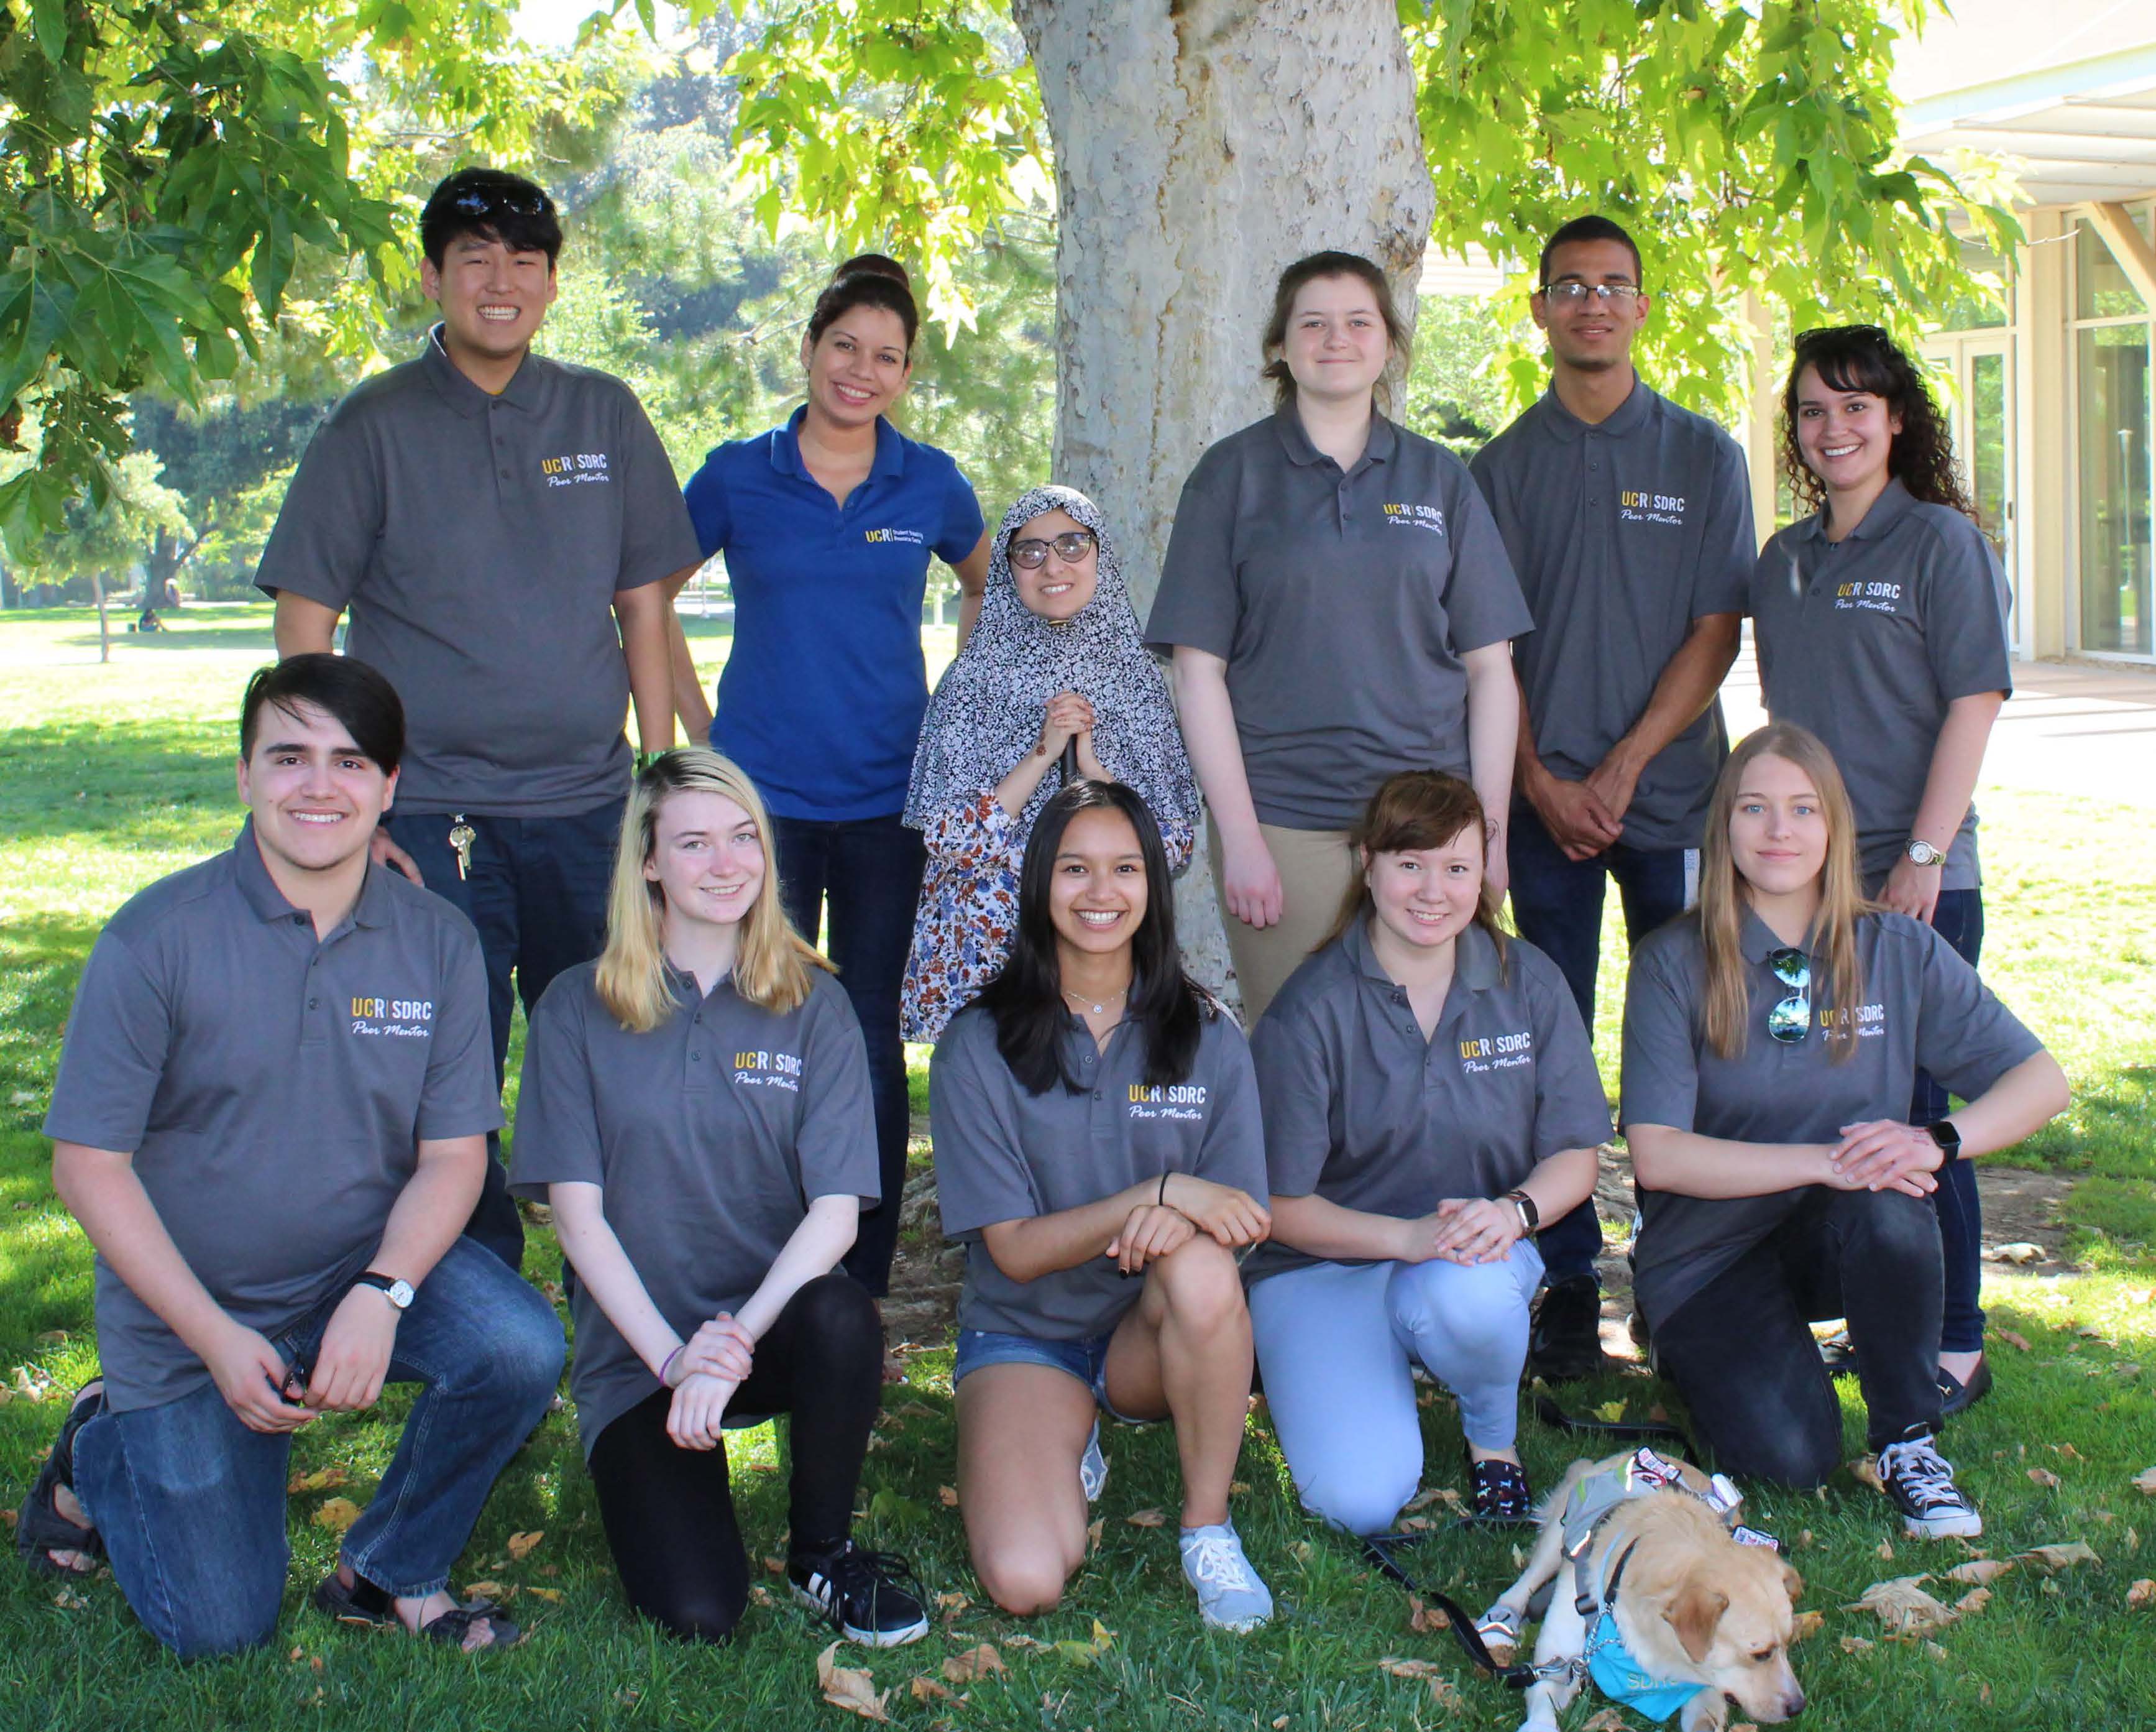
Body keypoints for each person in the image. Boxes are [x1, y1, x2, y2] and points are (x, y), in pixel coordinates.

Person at [17, 655, 564, 1657]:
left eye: (351, 761)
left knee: (518, 1345)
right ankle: (99, 1450)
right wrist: (218, 1339)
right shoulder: (154, 938)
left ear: (391, 787)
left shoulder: (437, 938)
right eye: (290, 756)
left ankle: (388, 1567)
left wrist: (383, 1291)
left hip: (355, 1270)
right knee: (219, 1630)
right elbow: (87, 1167)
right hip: (190, 1311)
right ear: (243, 775)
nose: (320, 785)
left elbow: (454, 1157)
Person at [259, 166, 700, 1271]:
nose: (499, 282)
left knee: (613, 1051)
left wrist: (660, 774)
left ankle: (620, 1306)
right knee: (443, 1068)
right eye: (474, 259)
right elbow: (307, 615)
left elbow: (644, 602)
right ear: (432, 277)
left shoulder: (601, 411)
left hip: (589, 808)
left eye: (523, 260)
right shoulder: (373, 424)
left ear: (551, 282)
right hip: (432, 818)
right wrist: (350, 796)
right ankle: (480, 1308)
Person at [509, 749, 927, 1647]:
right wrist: (673, 1361)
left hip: (770, 1327)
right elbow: (576, 1221)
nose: (727, 862)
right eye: (694, 842)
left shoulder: (812, 1002)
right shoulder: (575, 1008)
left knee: (843, 1311)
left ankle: (822, 1550)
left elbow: (838, 1212)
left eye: (744, 837)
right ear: (648, 860)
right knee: (699, 1612)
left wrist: (731, 1345)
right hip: (638, 1351)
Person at [1622, 724, 2067, 1533]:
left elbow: (2041, 1080)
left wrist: (1939, 1140)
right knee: (1791, 1458)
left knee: (1893, 1190)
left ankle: (1907, 1442)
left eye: (1802, 808)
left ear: (1834, 826)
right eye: (1754, 808)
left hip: (1839, 1229)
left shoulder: (1895, 947)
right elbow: (1657, 1153)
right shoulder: (1671, 961)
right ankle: (1680, 1343)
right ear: (1724, 825)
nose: (1779, 830)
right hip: (1707, 1253)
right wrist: (1825, 1160)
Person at [1469, 215, 1756, 1381]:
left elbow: (1714, 629)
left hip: (1675, 798)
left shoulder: (1699, 454)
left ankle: (1685, 1276)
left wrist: (1626, 768)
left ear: (1643, 308)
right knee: (1544, 1040)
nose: (1591, 302)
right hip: (1539, 808)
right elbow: (1485, 645)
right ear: (1537, 309)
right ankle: (1564, 1281)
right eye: (1569, 286)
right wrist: (1538, 779)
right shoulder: (1494, 468)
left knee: (1688, 1035)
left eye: (1613, 286)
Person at [680, 254, 991, 1296]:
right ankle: (744, 1237)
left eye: (886, 357)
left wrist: (963, 709)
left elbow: (986, 581)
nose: (861, 371)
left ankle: (854, 1270)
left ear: (906, 375)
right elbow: (641, 593)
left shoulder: (930, 482)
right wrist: (694, 740)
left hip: (886, 804)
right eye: (844, 347)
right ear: (810, 350)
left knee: (863, 1023)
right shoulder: (736, 473)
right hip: (756, 803)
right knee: (753, 1013)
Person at [1147, 249, 1530, 1023]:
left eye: (1359, 321)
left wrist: (1483, 837)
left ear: (1387, 343)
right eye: (1312, 322)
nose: (1336, 339)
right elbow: (1197, 673)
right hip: (1285, 818)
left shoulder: (1440, 479)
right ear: (1280, 347)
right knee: (1294, 1047)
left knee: (1421, 1036)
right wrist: (1242, 838)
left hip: (1424, 821)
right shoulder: (1229, 476)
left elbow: (1492, 669)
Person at [931, 780, 1275, 1631]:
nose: (1100, 893)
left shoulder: (1208, 1033)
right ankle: (1062, 1430)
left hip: (1150, 1337)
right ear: (1040, 880)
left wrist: (1182, 1218)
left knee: (1198, 1266)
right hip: (1024, 1330)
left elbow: (1240, 1218)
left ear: (1154, 885)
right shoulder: (977, 1042)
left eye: (1125, 868)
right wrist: (1153, 1195)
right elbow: (1010, 1250)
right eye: (1076, 868)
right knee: (1025, 1579)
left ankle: (1207, 1528)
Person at [1751, 325, 2015, 1415]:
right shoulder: (1781, 559)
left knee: (1910, 1105)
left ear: (1897, 420)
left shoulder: (1938, 545)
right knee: (1827, 1099)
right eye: (1813, 409)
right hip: (1805, 885)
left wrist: (1917, 855)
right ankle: (1876, 1311)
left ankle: (1954, 1340)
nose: (1833, 427)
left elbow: (1972, 703)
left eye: (1856, 406)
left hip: (1914, 878)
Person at [1245, 770, 1609, 1535]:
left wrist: (1514, 1213)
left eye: (1456, 866)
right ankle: (1354, 1362)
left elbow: (1574, 1154)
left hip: (1468, 1254)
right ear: (1367, 861)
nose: (1432, 890)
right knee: (1356, 1501)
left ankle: (1492, 1442)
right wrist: (1404, 1237)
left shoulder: (1527, 980)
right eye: (1409, 863)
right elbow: (1277, 1205)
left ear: (1483, 872)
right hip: (1323, 1268)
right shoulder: (1310, 1006)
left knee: (1465, 1300)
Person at [901, 484, 1202, 1044]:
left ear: (1100, 554)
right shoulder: (973, 680)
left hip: (1102, 943)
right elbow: (949, 841)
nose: (1051, 565)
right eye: (1029, 551)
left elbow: (1172, 847)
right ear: (1006, 569)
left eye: (1071, 544)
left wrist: (1094, 772)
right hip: (992, 956)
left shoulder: (1136, 682)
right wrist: (1041, 754)